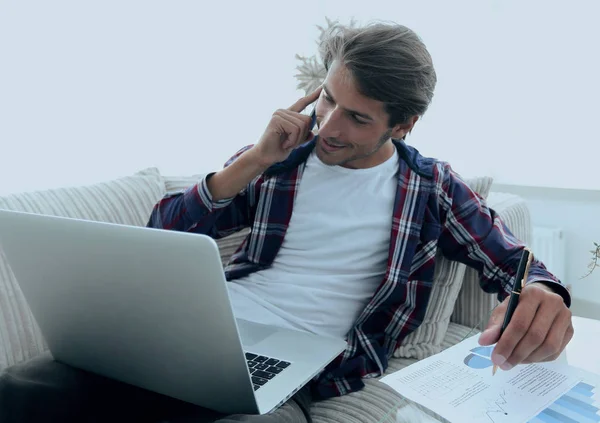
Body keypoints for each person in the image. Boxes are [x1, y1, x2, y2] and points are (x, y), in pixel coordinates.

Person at [0, 21, 573, 423]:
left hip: (304, 365)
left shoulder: (432, 187)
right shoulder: (284, 160)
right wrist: (254, 160)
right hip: (205, 333)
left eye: (355, 117)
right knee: (19, 391)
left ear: (404, 126)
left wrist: (543, 290)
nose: (327, 127)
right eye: (326, 100)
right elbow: (161, 235)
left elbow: (514, 263)